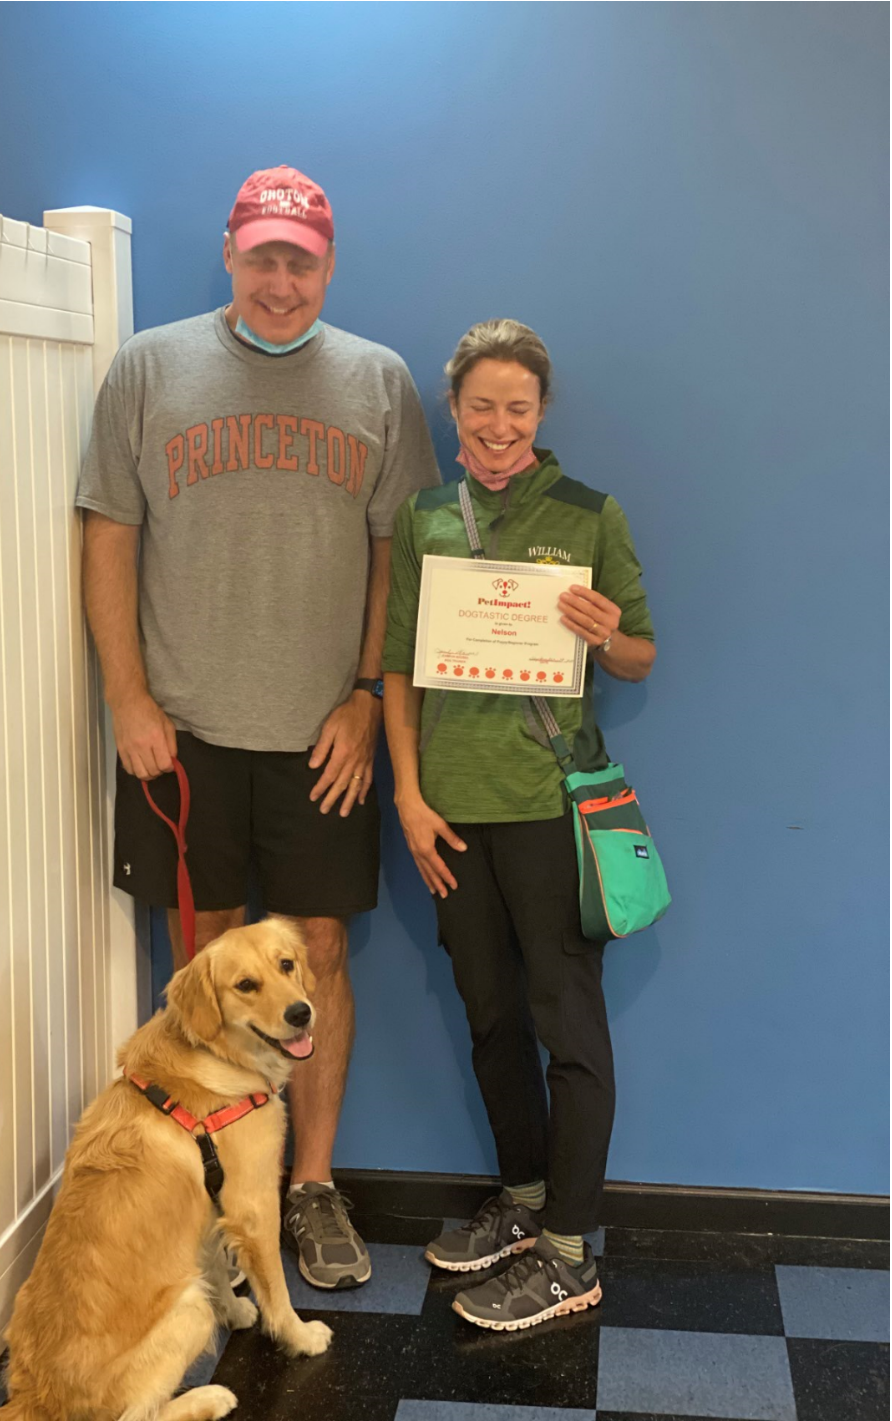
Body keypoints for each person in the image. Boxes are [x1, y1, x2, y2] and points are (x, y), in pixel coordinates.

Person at [77, 165, 439, 1289]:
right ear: (230, 255)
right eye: (263, 256)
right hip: (182, 730)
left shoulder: (379, 382)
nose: (281, 281)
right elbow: (107, 536)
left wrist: (369, 698)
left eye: (303, 261)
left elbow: (402, 560)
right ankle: (219, 1196)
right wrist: (127, 697)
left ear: (329, 265)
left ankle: (312, 1187)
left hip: (323, 735)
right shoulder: (149, 368)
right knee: (207, 961)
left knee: (316, 954)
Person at [382, 319, 656, 1329]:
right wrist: (408, 796)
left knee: (565, 1024)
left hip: (548, 811)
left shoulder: (587, 513)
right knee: (490, 1016)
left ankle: (572, 1251)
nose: (500, 424)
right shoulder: (424, 517)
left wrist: (607, 632)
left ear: (542, 414)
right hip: (449, 815)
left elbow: (640, 655)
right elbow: (399, 667)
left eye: (519, 407)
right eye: (481, 405)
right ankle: (527, 1201)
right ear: (453, 410)